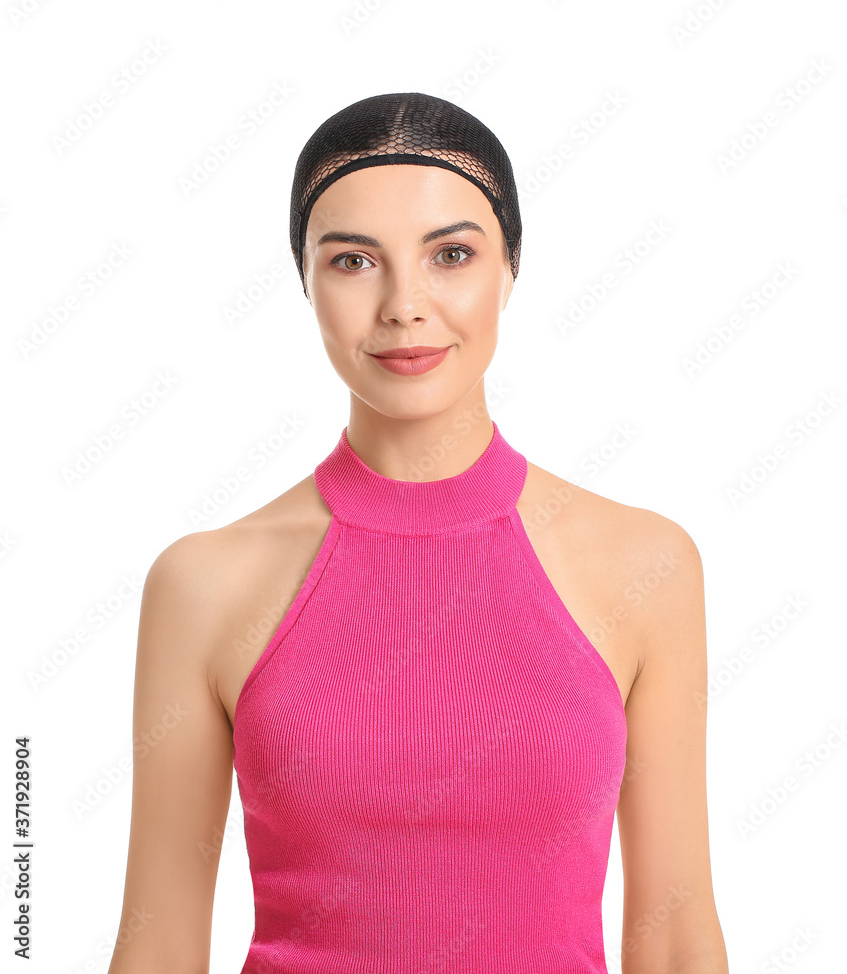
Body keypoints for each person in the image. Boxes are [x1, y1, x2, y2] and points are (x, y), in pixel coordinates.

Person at [107, 92, 729, 973]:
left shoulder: (645, 566)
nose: (405, 303)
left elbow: (673, 938)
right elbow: (159, 946)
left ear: (510, 267)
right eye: (354, 259)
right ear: (305, 280)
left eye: (451, 254)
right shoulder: (204, 582)